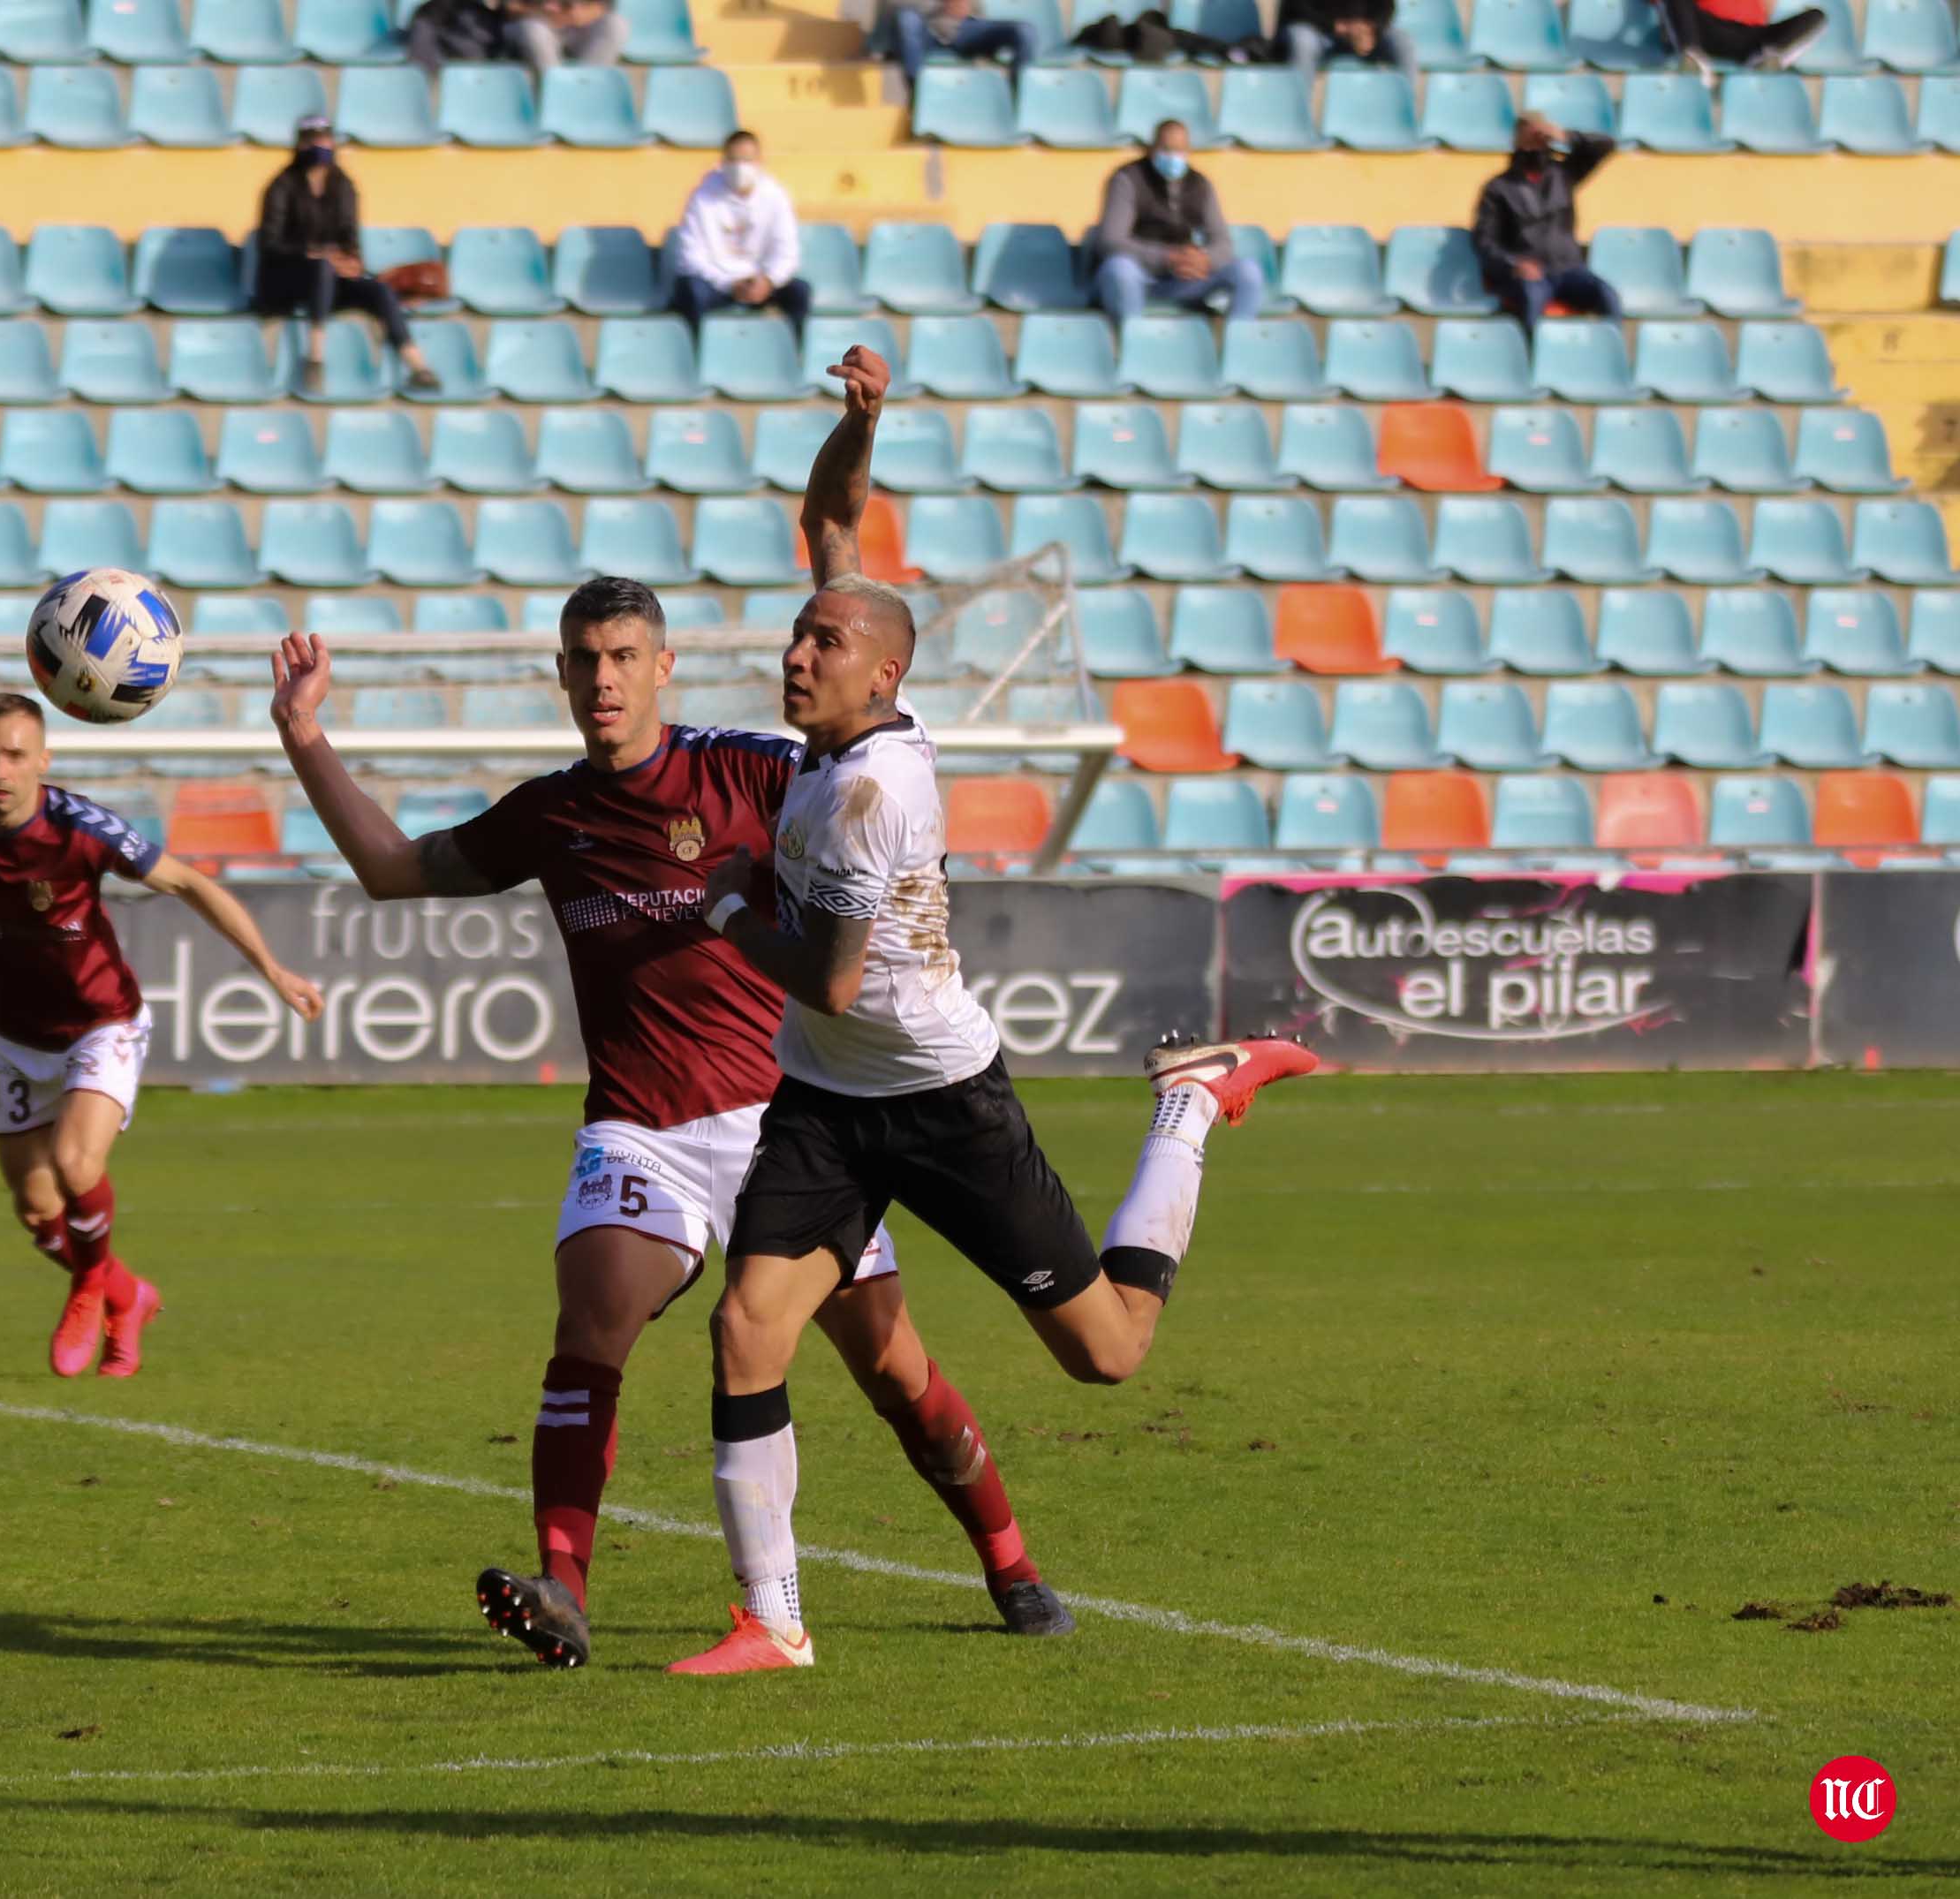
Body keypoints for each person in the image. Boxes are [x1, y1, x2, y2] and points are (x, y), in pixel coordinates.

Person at [270, 571, 1074, 1670]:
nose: (603, 679)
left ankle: (1010, 1560)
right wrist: (305, 734)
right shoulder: (551, 814)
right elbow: (392, 868)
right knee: (592, 1319)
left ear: (663, 667)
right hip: (640, 1129)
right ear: (561, 674)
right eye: (583, 660)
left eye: (622, 657)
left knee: (893, 1367)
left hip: (791, 1125)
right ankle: (564, 1584)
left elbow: (870, 791)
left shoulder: (751, 769)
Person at [666, 346, 1317, 1675]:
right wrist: (862, 423)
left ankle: (1188, 1104)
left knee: (1106, 1354)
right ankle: (770, 1618)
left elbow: (836, 978)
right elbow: (831, 530)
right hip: (825, 1102)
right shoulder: (838, 727)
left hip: (939, 1098)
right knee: (745, 1326)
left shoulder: (867, 794)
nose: (797, 651)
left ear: (884, 675)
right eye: (798, 634)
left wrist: (727, 904)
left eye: (822, 643)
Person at [0, 694, 323, 1380]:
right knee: (35, 1209)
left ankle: (89, 1290)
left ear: (43, 761)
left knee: (75, 1165)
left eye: (16, 755)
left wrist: (271, 967)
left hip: (101, 1019)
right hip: (19, 1036)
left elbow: (186, 883)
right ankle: (126, 1293)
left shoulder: (81, 828)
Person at [252, 116, 440, 394]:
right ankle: (315, 356)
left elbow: (350, 237)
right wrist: (314, 254)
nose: (319, 145)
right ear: (299, 144)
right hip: (285, 278)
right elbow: (270, 244)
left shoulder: (343, 186)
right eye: (312, 139)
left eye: (324, 138)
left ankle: (416, 364)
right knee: (320, 269)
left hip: (331, 279)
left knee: (378, 290)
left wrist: (350, 261)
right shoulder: (281, 186)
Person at [1092, 121, 1266, 326]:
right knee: (1120, 269)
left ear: (1188, 151)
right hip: (1140, 275)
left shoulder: (1200, 185)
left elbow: (1223, 243)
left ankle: (1239, 344)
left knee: (1248, 272)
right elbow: (1111, 240)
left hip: (1183, 279)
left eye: (1179, 150)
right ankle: (1132, 342)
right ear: (1152, 149)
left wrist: (1204, 260)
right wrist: (1167, 258)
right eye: (1166, 149)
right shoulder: (1127, 179)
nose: (1173, 157)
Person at [1472, 114, 1619, 337]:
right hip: (1530, 275)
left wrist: (1565, 136)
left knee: (1606, 294)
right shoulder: (1499, 187)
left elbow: (1606, 145)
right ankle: (1533, 361)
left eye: (1540, 135)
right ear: (1517, 139)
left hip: (1568, 269)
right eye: (1530, 135)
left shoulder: (1563, 174)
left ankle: (1610, 356)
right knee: (1532, 299)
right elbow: (1484, 240)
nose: (1537, 141)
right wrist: (1513, 263)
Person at [667, 130, 813, 339]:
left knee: (800, 291)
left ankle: (795, 356)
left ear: (759, 162)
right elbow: (691, 256)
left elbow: (787, 251)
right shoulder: (702, 196)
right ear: (723, 161)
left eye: (747, 160)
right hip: (717, 283)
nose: (740, 168)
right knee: (690, 290)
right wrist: (729, 283)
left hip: (760, 284)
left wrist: (769, 281)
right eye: (734, 160)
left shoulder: (775, 196)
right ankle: (695, 357)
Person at [874, 0, 1038, 127]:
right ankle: (920, 103)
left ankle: (1021, 111)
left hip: (966, 28)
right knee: (906, 19)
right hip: (925, 31)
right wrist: (940, 4)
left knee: (1024, 32)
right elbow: (891, 6)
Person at [1269, 0, 1418, 93]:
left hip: (1361, 32)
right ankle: (1296, 114)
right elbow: (1297, 7)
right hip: (1317, 31)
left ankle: (1405, 113)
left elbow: (1386, 7)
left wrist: (1371, 30)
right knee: (1303, 39)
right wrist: (1339, 27)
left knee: (1402, 41)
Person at [1658, 0, 1826, 77]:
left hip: (1750, 37)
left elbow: (1767, 9)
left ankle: (1767, 60)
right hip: (1704, 30)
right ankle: (1692, 56)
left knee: (1816, 17)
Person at [511, 0, 629, 69]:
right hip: (536, 23)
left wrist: (579, 15)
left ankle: (584, 85)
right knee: (534, 30)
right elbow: (510, 7)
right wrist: (545, 15)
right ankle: (554, 87)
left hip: (580, 27)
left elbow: (602, 6)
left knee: (616, 24)